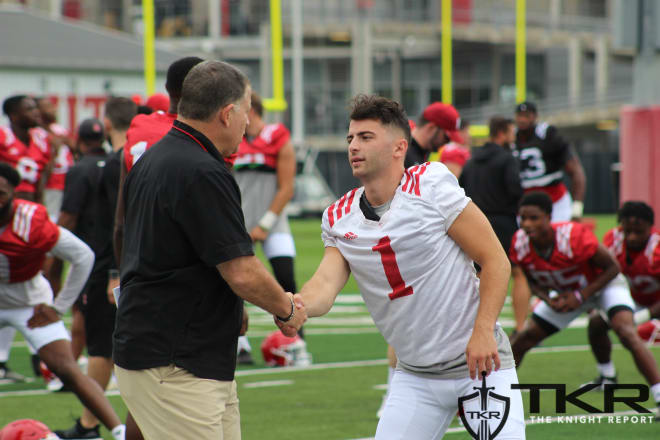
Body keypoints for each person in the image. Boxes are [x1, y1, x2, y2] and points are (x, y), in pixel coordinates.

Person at [280, 94, 525, 438]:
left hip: (480, 364)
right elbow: (324, 283)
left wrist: (484, 330)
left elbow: (495, 260)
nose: (354, 146)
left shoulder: (431, 185)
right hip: (416, 376)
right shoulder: (339, 216)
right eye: (351, 138)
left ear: (398, 148)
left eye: (366, 137)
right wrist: (299, 306)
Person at [113, 60, 306, 439]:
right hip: (177, 360)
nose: (248, 124)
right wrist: (286, 309)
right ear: (227, 113)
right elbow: (241, 270)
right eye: (247, 112)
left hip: (177, 350)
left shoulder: (156, 157)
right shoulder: (201, 169)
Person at [0, 162, 126, 440]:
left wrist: (58, 307)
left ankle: (119, 431)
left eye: (1, 193)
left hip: (29, 302)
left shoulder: (30, 221)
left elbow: (83, 256)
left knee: (67, 369)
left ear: (13, 194)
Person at [509, 192, 660, 417]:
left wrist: (580, 296)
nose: (527, 224)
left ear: (549, 217)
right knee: (522, 340)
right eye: (523, 218)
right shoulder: (519, 242)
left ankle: (658, 394)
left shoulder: (572, 235)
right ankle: (491, 395)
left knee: (627, 332)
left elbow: (613, 268)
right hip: (568, 292)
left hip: (603, 285)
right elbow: (528, 279)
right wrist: (549, 297)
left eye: (534, 218)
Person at [49, 113, 128, 439]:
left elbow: (70, 216)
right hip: (123, 263)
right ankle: (91, 423)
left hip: (103, 265)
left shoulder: (92, 167)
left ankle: (92, 425)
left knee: (101, 346)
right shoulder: (117, 162)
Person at [233, 91, 299, 364]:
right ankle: (239, 343)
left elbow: (287, 188)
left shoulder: (278, 137)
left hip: (272, 222)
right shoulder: (231, 139)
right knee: (235, 285)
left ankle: (295, 340)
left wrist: (265, 224)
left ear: (250, 110)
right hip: (239, 221)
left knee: (287, 281)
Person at [459, 116, 530, 333]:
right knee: (519, 273)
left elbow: (461, 192)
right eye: (511, 132)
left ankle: (478, 324)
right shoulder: (507, 159)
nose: (513, 137)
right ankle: (520, 326)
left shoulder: (471, 161)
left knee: (480, 275)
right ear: (501, 133)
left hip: (475, 225)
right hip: (504, 223)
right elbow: (516, 191)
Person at [586, 202, 660, 400]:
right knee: (596, 324)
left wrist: (643, 316)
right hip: (634, 300)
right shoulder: (614, 238)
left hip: (655, 304)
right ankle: (607, 377)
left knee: (636, 333)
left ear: (650, 228)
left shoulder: (657, 248)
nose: (632, 237)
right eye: (628, 231)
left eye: (638, 231)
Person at [514, 101, 586, 222]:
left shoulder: (548, 135)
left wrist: (576, 209)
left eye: (526, 116)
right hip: (524, 205)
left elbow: (575, 171)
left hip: (555, 203)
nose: (522, 120)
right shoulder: (511, 137)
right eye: (519, 115)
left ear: (535, 117)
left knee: (560, 236)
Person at [0, 95, 51, 203]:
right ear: (13, 115)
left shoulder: (41, 138)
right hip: (6, 203)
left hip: (32, 200)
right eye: (29, 109)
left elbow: (43, 174)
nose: (36, 112)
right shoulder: (3, 136)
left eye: (36, 108)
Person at [35, 96, 75, 222]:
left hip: (68, 181)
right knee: (52, 219)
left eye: (51, 106)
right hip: (52, 184)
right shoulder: (37, 133)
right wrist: (55, 149)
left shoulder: (59, 129)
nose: (52, 109)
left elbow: (74, 148)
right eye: (46, 107)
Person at [404, 101, 462, 168]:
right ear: (431, 128)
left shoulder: (422, 152)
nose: (446, 143)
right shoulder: (402, 153)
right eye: (446, 138)